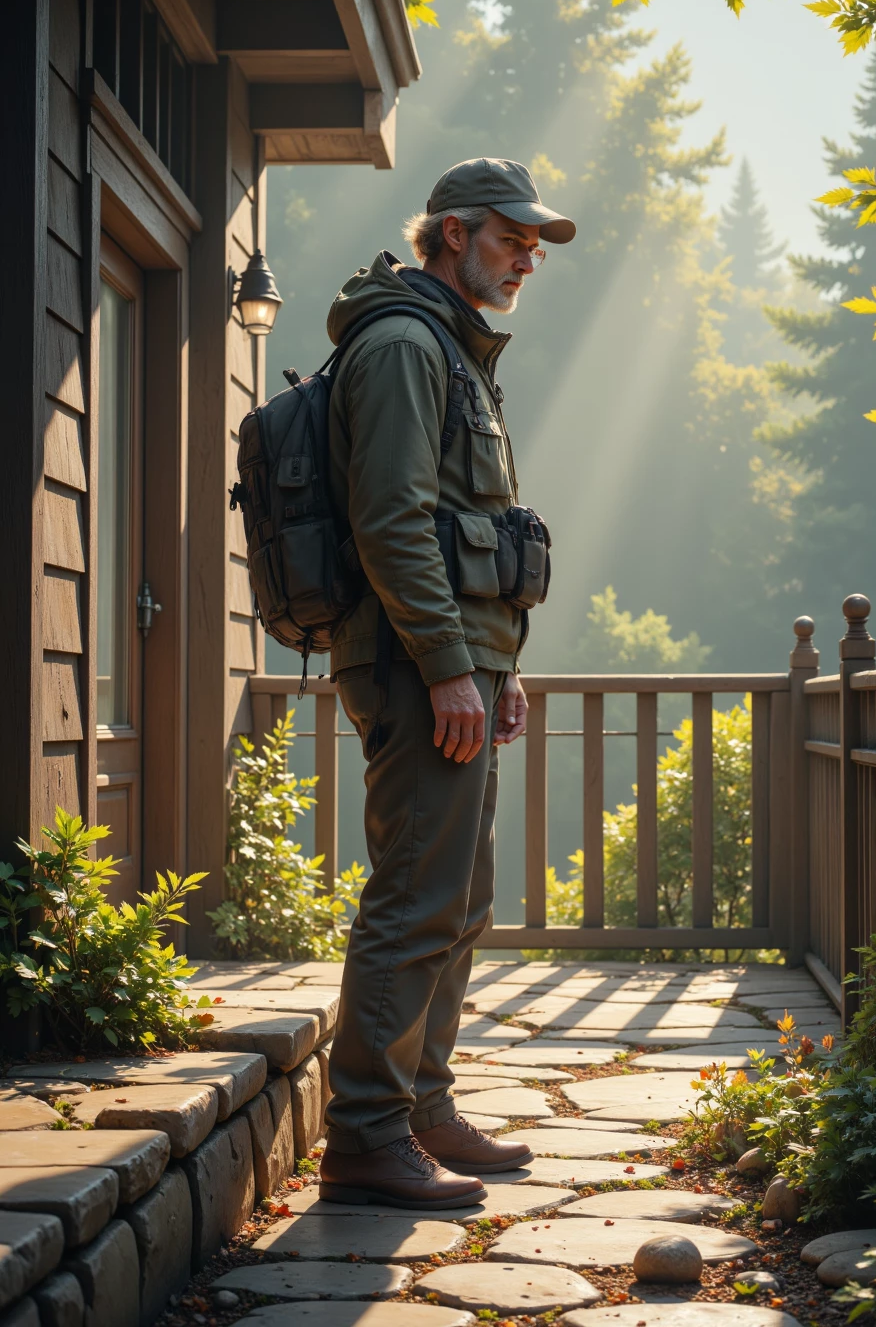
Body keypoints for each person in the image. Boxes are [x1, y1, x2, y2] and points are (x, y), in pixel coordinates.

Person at [319, 158, 576, 1208]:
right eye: (513, 240)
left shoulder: (449, 348)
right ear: (455, 232)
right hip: (412, 668)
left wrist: (493, 665)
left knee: (456, 897)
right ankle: (366, 1136)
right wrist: (445, 668)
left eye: (533, 248)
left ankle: (422, 1105)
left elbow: (461, 531)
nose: (526, 260)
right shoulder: (399, 347)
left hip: (453, 667)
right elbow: (390, 525)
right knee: (416, 896)